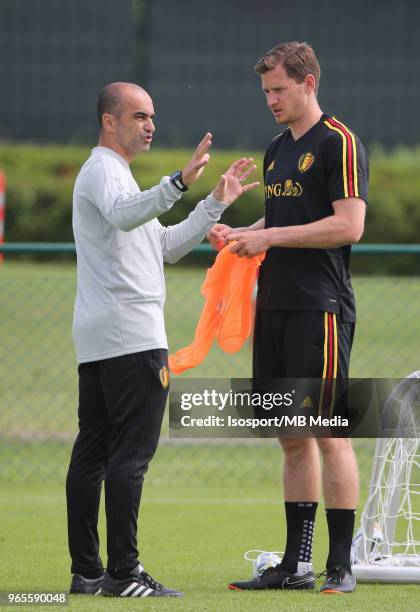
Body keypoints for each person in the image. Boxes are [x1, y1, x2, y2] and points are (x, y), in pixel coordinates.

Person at [66, 81, 258, 598]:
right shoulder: (105, 171)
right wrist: (179, 181)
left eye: (152, 116)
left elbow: (166, 246)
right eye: (139, 115)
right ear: (110, 121)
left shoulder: (117, 178)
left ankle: (88, 573)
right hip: (131, 336)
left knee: (94, 452)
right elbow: (132, 214)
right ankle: (124, 575)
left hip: (105, 336)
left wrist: (214, 202)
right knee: (129, 456)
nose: (150, 123)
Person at [208, 42, 368, 594]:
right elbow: (280, 218)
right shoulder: (277, 148)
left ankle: (341, 565)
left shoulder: (339, 142)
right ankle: (295, 565)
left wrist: (270, 236)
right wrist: (240, 234)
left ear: (309, 82)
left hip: (319, 307)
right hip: (273, 306)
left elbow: (349, 226)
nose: (271, 100)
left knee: (329, 433)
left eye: (278, 89)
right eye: (266, 92)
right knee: (290, 436)